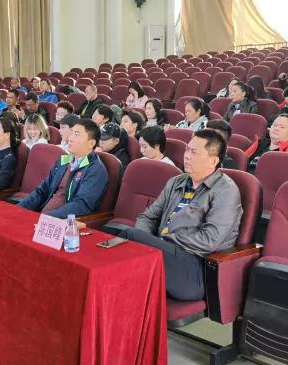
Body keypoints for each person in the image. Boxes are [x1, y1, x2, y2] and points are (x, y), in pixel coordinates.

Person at [124, 129, 242, 301]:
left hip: (194, 269)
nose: (187, 156)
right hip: (163, 253)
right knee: (120, 238)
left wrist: (164, 240)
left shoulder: (226, 191)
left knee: (127, 236)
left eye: (194, 152)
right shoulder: (176, 182)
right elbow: (148, 217)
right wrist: (145, 246)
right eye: (187, 150)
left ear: (213, 161)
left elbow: (209, 240)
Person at [17, 119, 108, 218]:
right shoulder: (63, 160)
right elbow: (42, 190)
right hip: (42, 215)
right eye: (71, 133)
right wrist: (18, 209)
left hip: (61, 221)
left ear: (91, 143)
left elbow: (81, 205)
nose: (70, 138)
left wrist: (45, 218)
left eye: (76, 134)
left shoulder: (95, 170)